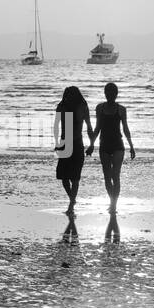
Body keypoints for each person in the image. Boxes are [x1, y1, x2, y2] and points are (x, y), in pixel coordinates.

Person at [86, 82, 135, 215]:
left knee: (116, 175)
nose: (110, 96)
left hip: (118, 145)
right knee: (107, 177)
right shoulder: (100, 108)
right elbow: (97, 128)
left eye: (112, 94)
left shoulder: (121, 109)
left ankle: (114, 204)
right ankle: (111, 202)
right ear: (105, 94)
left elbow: (125, 128)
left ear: (116, 94)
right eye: (108, 93)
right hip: (104, 145)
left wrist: (131, 146)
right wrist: (91, 145)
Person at [54, 86, 93, 215]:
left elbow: (89, 126)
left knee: (75, 178)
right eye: (67, 95)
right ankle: (72, 199)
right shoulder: (62, 106)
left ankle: (71, 204)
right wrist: (57, 143)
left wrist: (92, 144)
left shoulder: (82, 106)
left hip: (77, 143)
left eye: (71, 95)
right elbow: (57, 125)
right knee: (64, 178)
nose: (68, 98)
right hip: (65, 142)